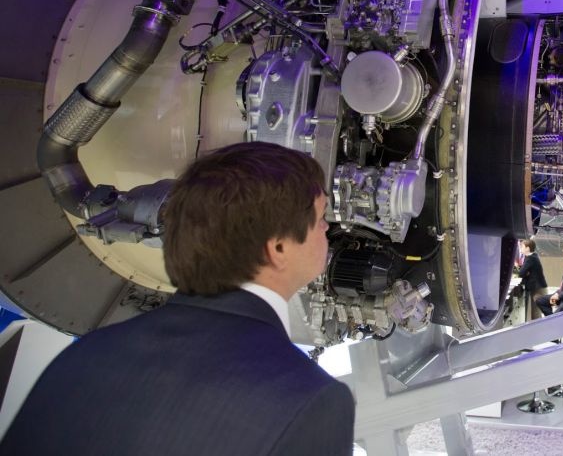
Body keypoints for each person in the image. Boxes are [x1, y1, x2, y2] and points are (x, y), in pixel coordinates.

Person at [0, 142, 355, 456]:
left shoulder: (86, 356)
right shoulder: (310, 401)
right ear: (277, 248)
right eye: (320, 218)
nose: (328, 227)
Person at [517, 238, 547, 319]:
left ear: (527, 248)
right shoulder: (532, 256)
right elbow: (524, 271)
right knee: (534, 312)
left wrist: (524, 272)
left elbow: (521, 273)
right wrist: (526, 272)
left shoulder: (531, 258)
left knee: (536, 313)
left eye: (522, 247)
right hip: (537, 287)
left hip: (537, 289)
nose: (520, 249)